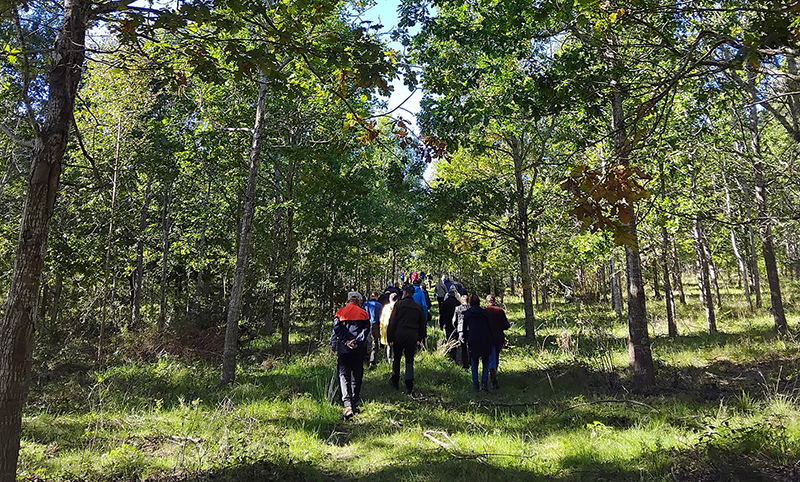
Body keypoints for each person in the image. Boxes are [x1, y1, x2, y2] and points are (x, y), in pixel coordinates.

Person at [331, 292, 370, 418]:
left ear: (347, 300)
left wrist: (345, 341)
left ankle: (347, 404)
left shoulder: (340, 312)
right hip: (358, 349)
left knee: (344, 375)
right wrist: (356, 341)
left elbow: (336, 328)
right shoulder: (363, 313)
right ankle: (354, 402)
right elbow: (366, 330)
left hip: (344, 349)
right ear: (358, 301)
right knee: (357, 374)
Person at [387, 285, 427, 395]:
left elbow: (392, 321)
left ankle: (395, 381)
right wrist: (420, 338)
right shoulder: (418, 307)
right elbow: (422, 324)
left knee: (397, 358)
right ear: (413, 294)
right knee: (409, 360)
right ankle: (409, 384)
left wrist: (389, 337)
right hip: (411, 337)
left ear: (404, 293)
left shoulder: (398, 304)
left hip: (398, 336)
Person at [462, 294, 493, 392]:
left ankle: (475, 384)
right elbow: (489, 326)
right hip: (485, 339)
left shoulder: (467, 314)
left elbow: (464, 329)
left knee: (474, 362)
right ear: (479, 302)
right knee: (485, 361)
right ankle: (484, 383)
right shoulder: (484, 313)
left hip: (473, 339)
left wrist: (465, 338)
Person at [485, 295, 511, 389]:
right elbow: (506, 325)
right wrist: (500, 327)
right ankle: (493, 373)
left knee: (491, 357)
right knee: (496, 356)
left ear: (487, 302)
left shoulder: (485, 312)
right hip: (498, 337)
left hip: (488, 338)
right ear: (494, 301)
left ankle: (491, 374)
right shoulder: (499, 311)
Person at [439, 285, 461, 362]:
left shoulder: (445, 303)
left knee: (449, 338)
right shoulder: (458, 303)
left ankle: (451, 353)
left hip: (448, 323)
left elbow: (442, 314)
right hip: (456, 324)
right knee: (455, 338)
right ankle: (454, 353)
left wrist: (441, 324)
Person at [363, 292, 383, 370]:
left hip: (366, 324)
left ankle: (365, 358)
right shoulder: (379, 305)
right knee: (374, 342)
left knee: (365, 341)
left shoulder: (365, 304)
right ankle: (372, 360)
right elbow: (380, 317)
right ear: (377, 297)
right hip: (375, 325)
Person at [380, 292, 398, 365]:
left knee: (389, 345)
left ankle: (389, 360)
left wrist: (381, 329)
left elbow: (382, 319)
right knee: (396, 344)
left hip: (386, 327)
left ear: (390, 299)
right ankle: (396, 359)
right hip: (396, 328)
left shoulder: (386, 307)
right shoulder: (398, 307)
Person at [453, 294, 470, 370]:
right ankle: (471, 362)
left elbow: (454, 320)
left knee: (463, 347)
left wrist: (456, 328)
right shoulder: (470, 308)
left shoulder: (457, 308)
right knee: (470, 346)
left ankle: (465, 365)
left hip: (461, 329)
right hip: (470, 329)